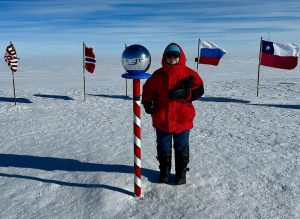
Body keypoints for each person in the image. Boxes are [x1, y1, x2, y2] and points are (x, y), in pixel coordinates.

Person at [142, 43, 204, 185]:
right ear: (165, 57)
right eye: (169, 56)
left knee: (181, 146)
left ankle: (181, 174)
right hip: (162, 119)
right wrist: (147, 102)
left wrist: (186, 94)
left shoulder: (189, 73)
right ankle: (164, 172)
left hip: (182, 119)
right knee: (163, 147)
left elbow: (200, 90)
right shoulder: (158, 74)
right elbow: (148, 89)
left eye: (175, 56)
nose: (172, 59)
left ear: (180, 57)